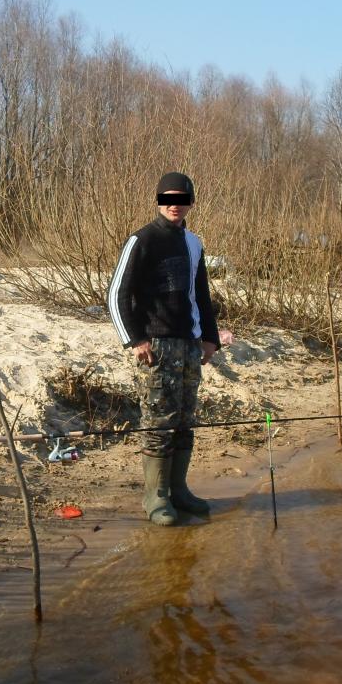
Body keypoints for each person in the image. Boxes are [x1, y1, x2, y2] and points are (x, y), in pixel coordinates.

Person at [108, 172, 220, 525]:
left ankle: (179, 491)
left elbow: (201, 295)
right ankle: (155, 497)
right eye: (168, 198)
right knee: (158, 421)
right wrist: (135, 339)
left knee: (185, 420)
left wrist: (210, 338)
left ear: (191, 203)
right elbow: (116, 294)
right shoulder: (142, 239)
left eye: (182, 198)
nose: (175, 205)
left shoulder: (194, 243)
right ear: (159, 201)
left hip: (189, 346)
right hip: (156, 347)